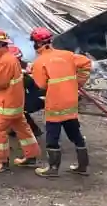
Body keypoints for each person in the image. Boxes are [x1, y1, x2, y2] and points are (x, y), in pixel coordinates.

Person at [27, 27, 94, 178]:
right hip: (70, 102)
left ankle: (53, 169)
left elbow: (42, 85)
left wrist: (32, 71)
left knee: (52, 135)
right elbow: (86, 64)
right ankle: (82, 166)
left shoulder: (39, 62)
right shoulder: (67, 55)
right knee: (75, 133)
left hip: (55, 104)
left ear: (37, 44)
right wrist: (78, 83)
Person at [0, 29, 42, 172]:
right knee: (23, 128)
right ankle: (31, 156)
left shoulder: (5, 60)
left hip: (7, 103)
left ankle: (2, 162)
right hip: (15, 102)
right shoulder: (8, 58)